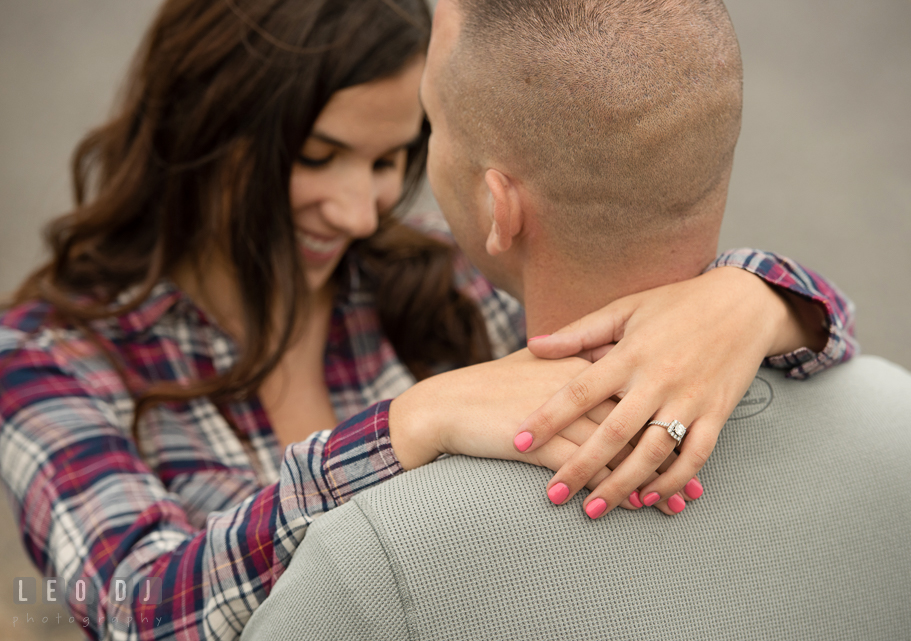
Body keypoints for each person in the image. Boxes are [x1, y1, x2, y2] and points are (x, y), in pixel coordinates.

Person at [0, 0, 856, 638]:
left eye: (390, 159)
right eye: (318, 156)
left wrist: (753, 302)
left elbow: (809, 338)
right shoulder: (47, 357)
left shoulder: (429, 274)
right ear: (204, 120)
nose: (361, 211)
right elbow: (135, 606)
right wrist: (407, 427)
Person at [241, 0, 911, 638]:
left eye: (435, 130)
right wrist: (762, 293)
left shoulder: (376, 560)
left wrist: (405, 422)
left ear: (501, 207)